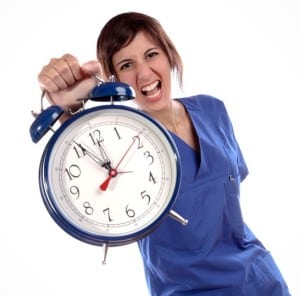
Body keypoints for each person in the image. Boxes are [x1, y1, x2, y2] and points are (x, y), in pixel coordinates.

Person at [37, 11, 291, 296]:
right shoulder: (119, 146)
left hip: (261, 281)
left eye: (151, 54)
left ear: (169, 55)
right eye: (126, 64)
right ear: (115, 78)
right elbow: (84, 164)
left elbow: (223, 206)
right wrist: (68, 113)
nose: (144, 73)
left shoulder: (213, 110)